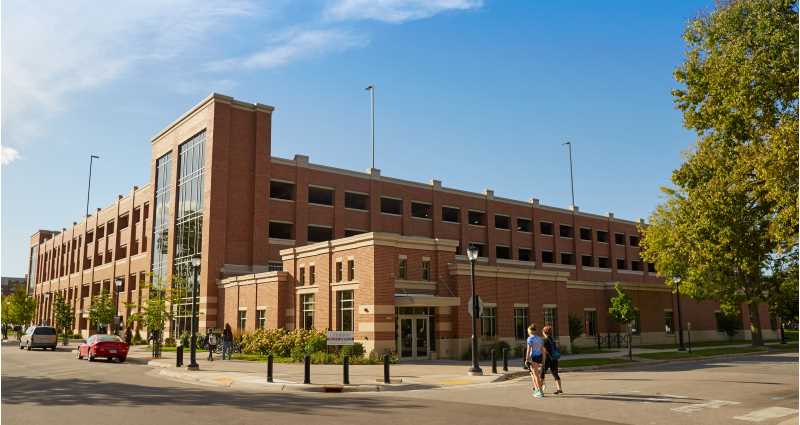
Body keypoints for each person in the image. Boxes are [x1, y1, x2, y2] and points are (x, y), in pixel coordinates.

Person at [540, 325, 563, 395]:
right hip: (554, 358)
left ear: (544, 332)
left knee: (542, 373)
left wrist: (542, 360)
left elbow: (544, 351)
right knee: (555, 373)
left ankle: (540, 389)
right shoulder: (552, 340)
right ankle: (559, 389)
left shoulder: (544, 340)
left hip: (547, 359)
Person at [525, 323, 545, 398]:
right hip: (539, 357)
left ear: (530, 331)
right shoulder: (540, 338)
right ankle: (538, 389)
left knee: (536, 375)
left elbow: (529, 349)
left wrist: (526, 359)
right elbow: (542, 350)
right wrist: (543, 359)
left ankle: (540, 392)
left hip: (533, 357)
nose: (528, 332)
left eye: (528, 331)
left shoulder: (530, 338)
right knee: (536, 375)